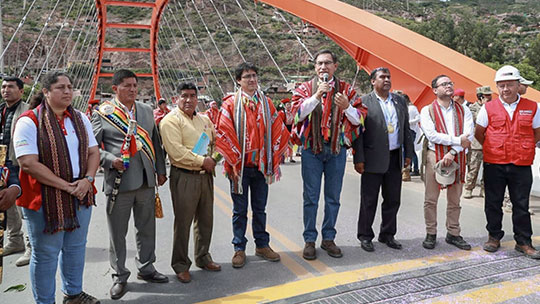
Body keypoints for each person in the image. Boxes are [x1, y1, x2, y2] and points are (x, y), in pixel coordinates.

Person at [13, 71, 100, 304]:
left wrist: (88, 180)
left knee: (75, 249)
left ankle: (73, 294)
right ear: (46, 92)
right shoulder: (29, 121)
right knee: (46, 255)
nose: (68, 91)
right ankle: (45, 301)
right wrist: (67, 186)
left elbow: (93, 152)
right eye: (61, 87)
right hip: (43, 200)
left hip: (81, 194)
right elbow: (28, 163)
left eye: (70, 87)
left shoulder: (80, 118)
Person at [92, 69, 168, 300]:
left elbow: (155, 142)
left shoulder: (145, 110)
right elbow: (94, 148)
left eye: (135, 85)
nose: (133, 90)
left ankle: (146, 267)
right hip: (119, 182)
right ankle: (119, 275)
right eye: (127, 85)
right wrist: (109, 160)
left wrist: (161, 171)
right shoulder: (103, 113)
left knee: (146, 228)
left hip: (145, 180)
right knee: (118, 233)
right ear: (115, 89)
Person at [292, 49, 366, 260]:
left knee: (333, 197)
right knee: (311, 198)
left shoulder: (346, 90)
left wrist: (347, 107)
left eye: (327, 63)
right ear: (315, 68)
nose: (323, 67)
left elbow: (359, 119)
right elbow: (296, 114)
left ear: (335, 66)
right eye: (319, 64)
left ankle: (328, 238)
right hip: (311, 150)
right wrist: (316, 96)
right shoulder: (306, 89)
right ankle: (309, 240)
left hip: (336, 150)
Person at [216, 62, 289, 268]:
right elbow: (223, 131)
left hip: (260, 166)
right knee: (240, 210)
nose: (252, 80)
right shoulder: (230, 104)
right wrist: (232, 157)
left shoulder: (266, 103)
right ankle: (239, 248)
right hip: (239, 168)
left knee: (260, 208)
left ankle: (262, 245)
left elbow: (278, 128)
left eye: (255, 76)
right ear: (238, 80)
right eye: (247, 76)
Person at [475, 65, 540, 259]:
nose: (505, 89)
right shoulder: (488, 108)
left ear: (518, 85)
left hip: (521, 163)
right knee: (493, 202)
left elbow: (537, 133)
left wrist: (523, 146)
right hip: (494, 162)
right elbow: (479, 133)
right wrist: (494, 147)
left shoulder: (533, 107)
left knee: (521, 204)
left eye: (509, 85)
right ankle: (494, 236)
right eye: (501, 85)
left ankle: (524, 242)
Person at [160, 82, 221, 283]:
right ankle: (180, 264)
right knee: (183, 222)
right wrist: (202, 160)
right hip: (184, 176)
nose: (188, 100)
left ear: (198, 98)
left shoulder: (204, 120)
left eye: (192, 96)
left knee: (206, 220)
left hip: (206, 175)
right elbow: (176, 151)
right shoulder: (170, 121)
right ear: (176, 98)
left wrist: (214, 157)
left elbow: (214, 142)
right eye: (184, 96)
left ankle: (203, 257)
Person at [352, 67, 413, 252]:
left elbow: (406, 129)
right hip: (372, 159)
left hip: (395, 157)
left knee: (393, 199)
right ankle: (365, 236)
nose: (386, 80)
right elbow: (358, 134)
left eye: (388, 77)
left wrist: (408, 153)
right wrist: (359, 158)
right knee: (369, 200)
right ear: (373, 81)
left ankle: (387, 234)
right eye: (382, 77)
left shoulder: (400, 101)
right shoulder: (363, 102)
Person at [419, 75, 473, 251]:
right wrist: (457, 140)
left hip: (457, 156)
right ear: (435, 90)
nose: (449, 86)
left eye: (450, 83)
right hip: (435, 155)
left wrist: (452, 151)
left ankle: (453, 233)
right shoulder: (427, 110)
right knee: (431, 198)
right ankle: (431, 233)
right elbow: (432, 135)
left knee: (454, 199)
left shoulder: (464, 110)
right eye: (444, 84)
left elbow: (469, 136)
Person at [0, 77, 30, 267]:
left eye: (11, 87)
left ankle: (31, 246)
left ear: (21, 91)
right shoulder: (1, 109)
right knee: (7, 203)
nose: (6, 90)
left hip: (21, 164)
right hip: (3, 164)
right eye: (3, 87)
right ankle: (15, 240)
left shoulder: (28, 111)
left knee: (25, 207)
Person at [463, 86, 492, 199]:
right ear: (481, 97)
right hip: (476, 144)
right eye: (487, 96)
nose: (489, 98)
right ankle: (469, 188)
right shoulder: (472, 108)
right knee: (473, 167)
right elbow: (475, 121)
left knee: (489, 170)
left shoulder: (493, 107)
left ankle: (485, 189)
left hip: (490, 143)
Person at [403, 93, 420, 180]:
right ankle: (406, 169)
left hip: (411, 130)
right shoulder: (403, 107)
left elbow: (418, 118)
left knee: (411, 150)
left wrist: (410, 122)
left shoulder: (412, 108)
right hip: (404, 130)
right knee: (404, 149)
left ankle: (415, 168)